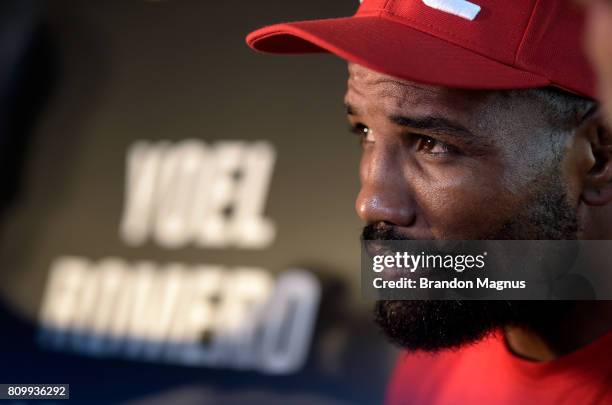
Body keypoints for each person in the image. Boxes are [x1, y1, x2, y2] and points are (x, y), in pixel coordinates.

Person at [246, 0, 612, 403]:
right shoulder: (452, 321)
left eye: (432, 143)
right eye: (364, 131)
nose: (372, 203)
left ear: (599, 158)